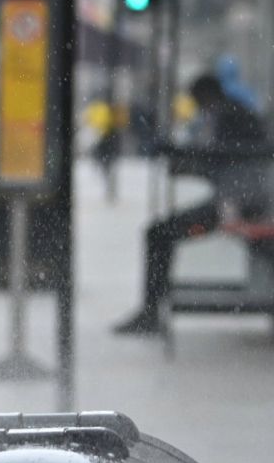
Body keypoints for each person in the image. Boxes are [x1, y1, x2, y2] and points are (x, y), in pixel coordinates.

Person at [114, 72, 271, 335]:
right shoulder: (232, 113)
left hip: (242, 204)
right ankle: (151, 311)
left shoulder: (230, 116)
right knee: (161, 234)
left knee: (159, 235)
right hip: (240, 199)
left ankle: (151, 312)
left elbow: (223, 156)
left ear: (205, 96)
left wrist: (178, 154)